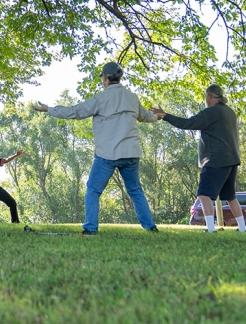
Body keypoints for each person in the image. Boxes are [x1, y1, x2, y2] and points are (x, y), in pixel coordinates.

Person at [32, 62, 159, 235]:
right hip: (131, 153)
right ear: (119, 77)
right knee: (135, 190)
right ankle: (150, 227)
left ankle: (91, 228)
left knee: (93, 189)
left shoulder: (101, 99)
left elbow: (75, 111)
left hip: (107, 155)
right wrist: (159, 115)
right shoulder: (132, 97)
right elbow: (146, 116)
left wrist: (49, 109)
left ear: (105, 79)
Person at [152, 85, 244, 233]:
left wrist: (165, 116)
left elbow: (188, 124)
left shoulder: (211, 112)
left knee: (203, 193)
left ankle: (210, 228)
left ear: (209, 96)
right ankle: (242, 228)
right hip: (232, 159)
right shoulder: (229, 112)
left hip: (215, 159)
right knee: (230, 196)